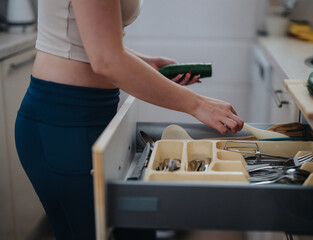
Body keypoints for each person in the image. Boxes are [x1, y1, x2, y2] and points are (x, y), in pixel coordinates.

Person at [14, 0, 244, 239]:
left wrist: (145, 64)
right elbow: (107, 60)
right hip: (65, 124)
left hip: (83, 118)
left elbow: (91, 39)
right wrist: (198, 104)